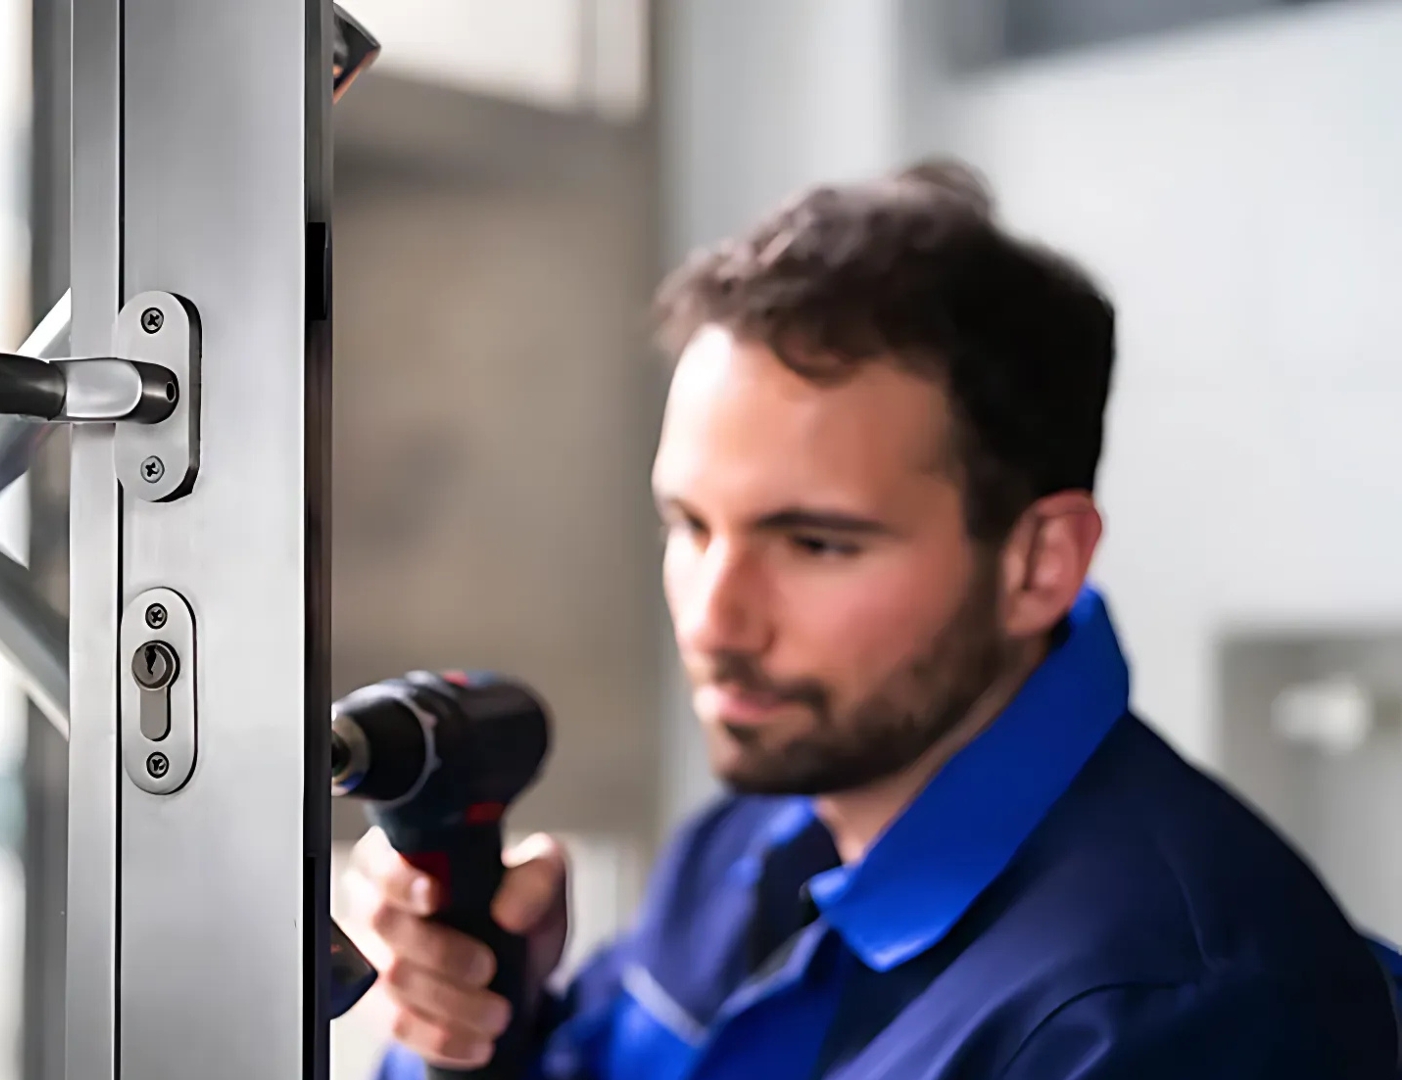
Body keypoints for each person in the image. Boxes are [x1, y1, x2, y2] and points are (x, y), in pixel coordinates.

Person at [341, 159, 1402, 1079]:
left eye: (816, 543)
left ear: (1039, 563)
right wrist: (485, 1027)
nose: (715, 616)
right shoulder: (751, 837)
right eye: (692, 525)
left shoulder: (1163, 1016)